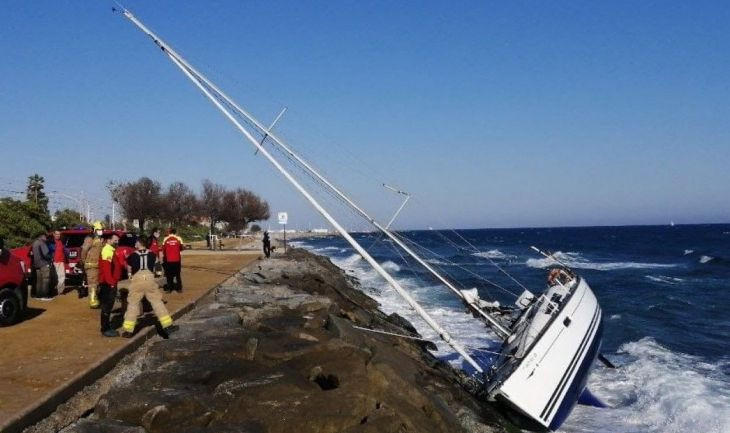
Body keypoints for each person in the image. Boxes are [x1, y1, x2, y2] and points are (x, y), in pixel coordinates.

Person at [121, 236, 178, 338]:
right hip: (150, 279)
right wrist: (158, 274)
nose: (135, 244)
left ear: (139, 243)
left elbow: (129, 269)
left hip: (137, 281)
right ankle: (168, 326)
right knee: (157, 303)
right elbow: (157, 266)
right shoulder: (152, 254)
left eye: (136, 242)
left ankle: (128, 330)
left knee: (133, 304)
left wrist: (130, 276)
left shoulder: (132, 255)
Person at [99, 233, 121, 337]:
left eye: (117, 240)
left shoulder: (111, 250)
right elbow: (107, 269)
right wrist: (111, 283)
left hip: (110, 283)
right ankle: (105, 329)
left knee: (108, 306)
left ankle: (106, 326)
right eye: (115, 240)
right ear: (108, 240)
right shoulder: (107, 250)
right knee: (106, 307)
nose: (117, 242)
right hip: (108, 284)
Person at [80, 222, 105, 305]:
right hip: (91, 265)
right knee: (93, 284)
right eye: (99, 230)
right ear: (94, 230)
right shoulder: (89, 239)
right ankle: (92, 301)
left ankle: (97, 298)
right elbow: (84, 251)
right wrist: (84, 261)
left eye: (102, 230)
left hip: (99, 265)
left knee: (98, 284)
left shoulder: (101, 240)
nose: (101, 231)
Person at [31, 232, 53, 299]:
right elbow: (45, 254)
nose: (46, 238)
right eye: (45, 237)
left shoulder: (35, 243)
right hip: (44, 263)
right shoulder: (42, 243)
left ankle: (38, 295)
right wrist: (51, 258)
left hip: (36, 264)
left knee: (39, 281)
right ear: (42, 236)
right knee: (45, 280)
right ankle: (44, 295)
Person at [162, 228, 184, 293]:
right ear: (175, 232)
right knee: (178, 275)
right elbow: (181, 248)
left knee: (169, 275)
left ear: (170, 232)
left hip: (168, 259)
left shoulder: (165, 239)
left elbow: (163, 249)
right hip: (177, 259)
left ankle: (169, 289)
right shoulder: (179, 238)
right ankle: (179, 289)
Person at [51, 230, 67, 295]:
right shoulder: (51, 242)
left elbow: (64, 251)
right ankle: (53, 290)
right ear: (53, 234)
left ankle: (60, 291)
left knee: (62, 276)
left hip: (61, 262)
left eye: (59, 234)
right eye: (57, 234)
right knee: (53, 277)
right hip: (54, 262)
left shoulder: (61, 242)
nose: (58, 235)